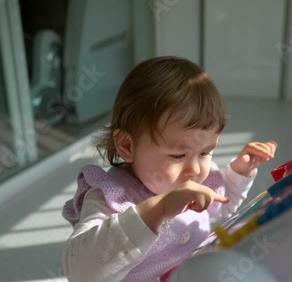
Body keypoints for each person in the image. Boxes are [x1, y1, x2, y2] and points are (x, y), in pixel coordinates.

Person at [62, 56, 277, 282]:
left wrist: (240, 171)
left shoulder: (191, 177)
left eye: (205, 152)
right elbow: (82, 273)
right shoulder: (109, 196)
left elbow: (223, 205)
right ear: (127, 145)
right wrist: (157, 210)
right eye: (178, 155)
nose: (194, 168)